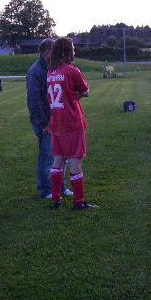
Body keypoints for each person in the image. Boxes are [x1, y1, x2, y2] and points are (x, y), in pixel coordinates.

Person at [46, 37, 97, 210]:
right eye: (72, 48)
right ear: (68, 51)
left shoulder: (50, 72)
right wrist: (77, 94)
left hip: (56, 121)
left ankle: (55, 199)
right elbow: (85, 91)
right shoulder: (72, 70)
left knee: (58, 159)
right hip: (72, 121)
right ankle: (78, 201)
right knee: (75, 159)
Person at [26, 39, 73, 200]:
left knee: (61, 155)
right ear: (47, 52)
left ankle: (60, 187)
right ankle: (45, 189)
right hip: (45, 122)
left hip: (57, 120)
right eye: (54, 51)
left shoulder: (51, 68)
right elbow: (34, 101)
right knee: (47, 156)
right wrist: (44, 124)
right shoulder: (36, 71)